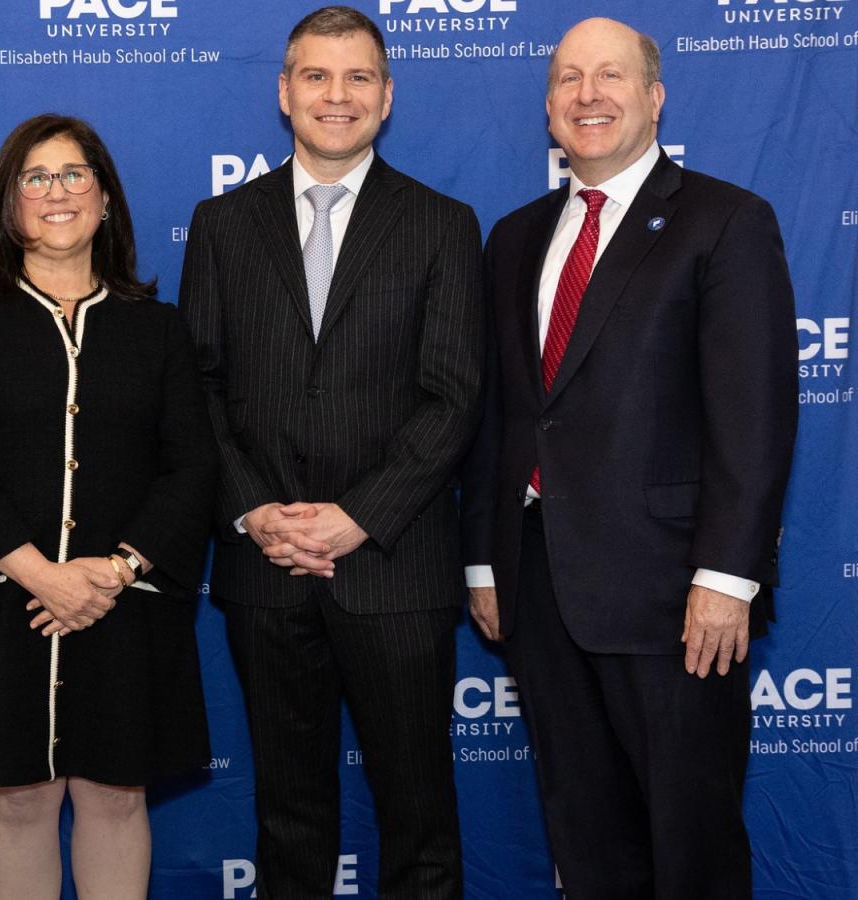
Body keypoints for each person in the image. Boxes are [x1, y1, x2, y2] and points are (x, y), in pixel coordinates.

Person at [461, 17, 798, 898]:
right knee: (587, 837)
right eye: (569, 79)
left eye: (610, 76)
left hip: (673, 597)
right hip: (539, 587)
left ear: (654, 97)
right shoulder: (514, 237)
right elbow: (500, 414)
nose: (588, 95)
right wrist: (485, 558)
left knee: (690, 845)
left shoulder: (725, 221)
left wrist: (725, 578)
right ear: (547, 109)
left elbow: (755, 415)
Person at [179, 7, 485, 898]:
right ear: (284, 92)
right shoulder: (222, 224)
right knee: (288, 814)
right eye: (316, 76)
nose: (336, 96)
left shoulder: (442, 224)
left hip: (394, 565)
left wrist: (359, 518)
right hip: (265, 563)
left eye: (358, 78)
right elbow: (196, 386)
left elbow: (454, 396)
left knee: (419, 816)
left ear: (387, 98)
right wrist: (253, 510)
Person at [0, 113, 216, 899]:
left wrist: (113, 571)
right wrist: (42, 574)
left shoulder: (158, 328)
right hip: (2, 603)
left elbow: (191, 466)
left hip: (125, 605)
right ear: (8, 205)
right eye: (34, 178)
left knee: (116, 796)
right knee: (17, 800)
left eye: (74, 174)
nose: (56, 192)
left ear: (106, 199)